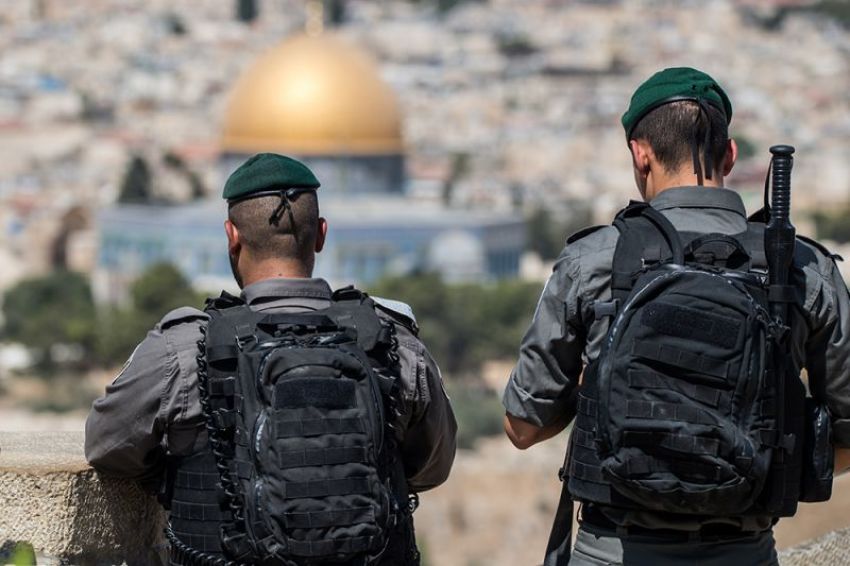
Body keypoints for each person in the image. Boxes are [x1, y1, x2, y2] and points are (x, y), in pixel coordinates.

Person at [502, 67, 850, 566]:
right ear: (730, 156)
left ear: (640, 154)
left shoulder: (594, 260)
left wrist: (597, 386)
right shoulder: (800, 268)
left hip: (613, 552)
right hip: (745, 552)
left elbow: (521, 427)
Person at [86, 153, 457, 565]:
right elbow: (431, 468)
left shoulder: (184, 349)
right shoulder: (395, 344)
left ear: (232, 236)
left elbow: (107, 445)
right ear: (320, 235)